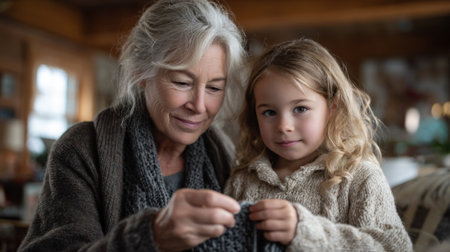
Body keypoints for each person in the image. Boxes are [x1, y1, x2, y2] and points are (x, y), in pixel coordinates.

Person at [19, 0, 248, 251]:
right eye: (182, 82)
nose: (199, 105)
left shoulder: (225, 157)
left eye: (214, 88)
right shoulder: (82, 149)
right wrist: (151, 235)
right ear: (141, 72)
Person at [224, 38, 414, 251]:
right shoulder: (241, 180)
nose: (284, 126)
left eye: (300, 109)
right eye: (269, 112)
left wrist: (307, 232)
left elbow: (394, 246)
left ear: (332, 107)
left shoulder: (360, 176)